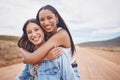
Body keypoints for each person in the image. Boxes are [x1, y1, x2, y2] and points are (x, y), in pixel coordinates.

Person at [21, 4, 80, 79]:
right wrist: (45, 57)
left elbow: (32, 58)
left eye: (49, 18)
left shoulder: (62, 34)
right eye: (42, 20)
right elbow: (26, 60)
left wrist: (23, 50)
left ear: (56, 17)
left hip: (69, 74)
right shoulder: (47, 35)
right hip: (57, 72)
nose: (46, 22)